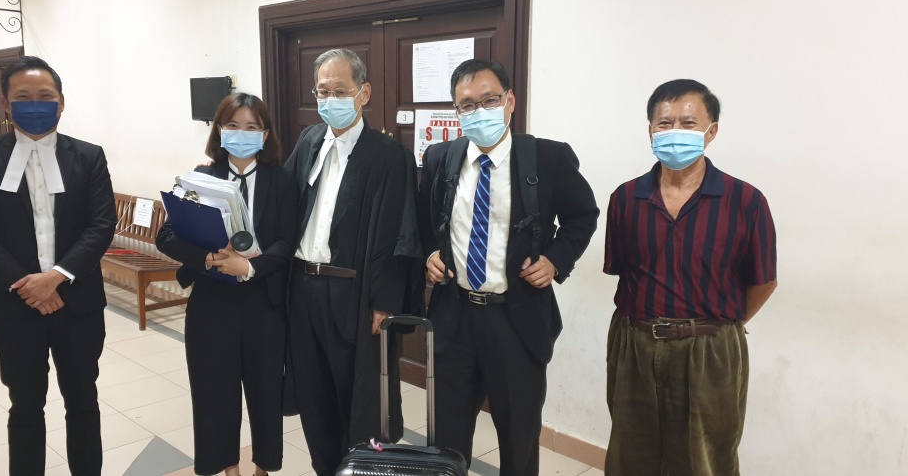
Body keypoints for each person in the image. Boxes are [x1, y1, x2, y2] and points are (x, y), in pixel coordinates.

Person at [417, 58, 599, 475]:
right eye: (467, 105)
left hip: (516, 319)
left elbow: (582, 216)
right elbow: (425, 222)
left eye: (490, 100)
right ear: (456, 111)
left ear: (510, 100)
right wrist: (430, 254)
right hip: (454, 316)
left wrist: (555, 259)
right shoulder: (442, 157)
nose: (479, 111)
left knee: (517, 440)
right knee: (447, 437)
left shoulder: (547, 158)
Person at [603, 79, 778, 476]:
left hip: (710, 349)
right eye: (664, 124)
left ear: (710, 131)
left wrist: (719, 327)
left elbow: (764, 281)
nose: (674, 133)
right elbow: (622, 270)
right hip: (635, 343)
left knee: (705, 459)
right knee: (631, 453)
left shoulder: (746, 201)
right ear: (650, 130)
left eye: (687, 122)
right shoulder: (626, 199)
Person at [0, 56, 116, 475]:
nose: (35, 105)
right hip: (14, 308)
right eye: (23, 97)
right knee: (25, 405)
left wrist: (57, 278)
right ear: (6, 104)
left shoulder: (88, 156)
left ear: (62, 103)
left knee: (83, 400)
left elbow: (101, 225)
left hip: (78, 303)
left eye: (45, 97)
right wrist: (28, 286)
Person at [284, 48, 420, 475]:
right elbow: (282, 201)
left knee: (357, 399)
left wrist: (384, 302)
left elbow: (399, 233)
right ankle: (325, 468)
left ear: (364, 93)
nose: (330, 100)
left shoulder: (387, 154)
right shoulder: (309, 141)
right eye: (322, 91)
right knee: (313, 392)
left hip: (353, 295)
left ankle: (359, 469)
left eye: (339, 91)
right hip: (303, 288)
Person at [155, 93, 297, 476]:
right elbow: (166, 235)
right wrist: (208, 259)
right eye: (233, 125)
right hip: (212, 302)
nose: (241, 133)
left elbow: (287, 241)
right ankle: (227, 467)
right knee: (214, 392)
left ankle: (263, 467)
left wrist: (250, 268)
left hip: (263, 302)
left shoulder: (282, 180)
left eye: (252, 127)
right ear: (219, 131)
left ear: (265, 135)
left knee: (266, 391)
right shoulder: (201, 178)